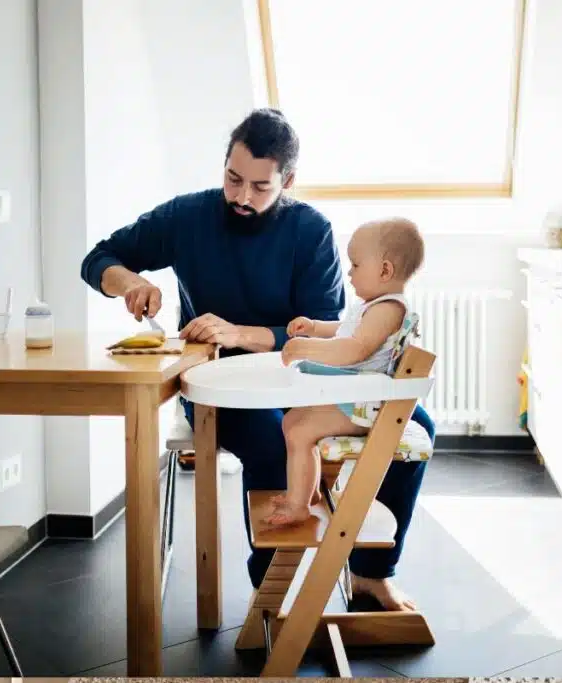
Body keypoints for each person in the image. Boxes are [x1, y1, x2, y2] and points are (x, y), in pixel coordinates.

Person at [79, 107, 433, 611]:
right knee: (270, 440)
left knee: (415, 422)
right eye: (233, 178)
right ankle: (271, 595)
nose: (242, 196)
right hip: (217, 387)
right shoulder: (187, 216)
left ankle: (371, 577)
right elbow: (98, 259)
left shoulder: (311, 231)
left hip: (306, 383)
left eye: (260, 187)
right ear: (224, 165)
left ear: (287, 180)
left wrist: (242, 333)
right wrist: (130, 282)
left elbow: (324, 326)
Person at [267, 218, 425, 527]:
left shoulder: (387, 309)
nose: (349, 273)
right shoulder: (373, 307)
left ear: (384, 271)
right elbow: (345, 331)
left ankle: (299, 504)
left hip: (366, 408)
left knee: (300, 430)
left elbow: (355, 348)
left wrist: (305, 347)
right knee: (294, 421)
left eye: (355, 265)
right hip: (356, 399)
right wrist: (314, 328)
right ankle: (306, 492)